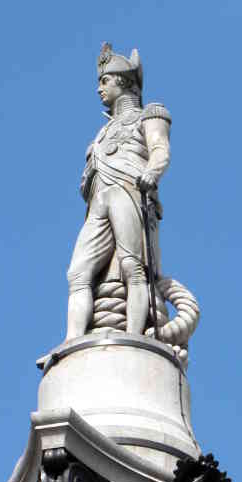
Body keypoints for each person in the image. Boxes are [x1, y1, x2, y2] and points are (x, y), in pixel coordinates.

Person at [65, 43, 171, 341]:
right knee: (78, 272)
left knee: (132, 267)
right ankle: (72, 340)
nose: (99, 88)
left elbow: (160, 150)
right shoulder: (103, 132)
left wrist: (152, 173)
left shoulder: (150, 114)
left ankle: (134, 335)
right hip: (100, 200)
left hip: (130, 191)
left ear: (122, 81)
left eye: (105, 80)